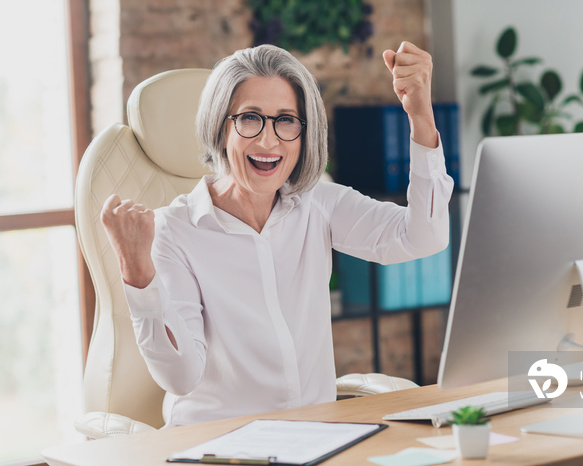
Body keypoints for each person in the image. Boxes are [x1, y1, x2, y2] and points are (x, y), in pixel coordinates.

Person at [101, 41, 454, 427]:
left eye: (286, 120)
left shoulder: (317, 201)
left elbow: (423, 237)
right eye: (250, 118)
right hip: (219, 444)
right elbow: (180, 377)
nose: (268, 142)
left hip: (315, 437)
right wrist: (138, 276)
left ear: (303, 136)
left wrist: (420, 115)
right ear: (221, 129)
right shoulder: (175, 230)